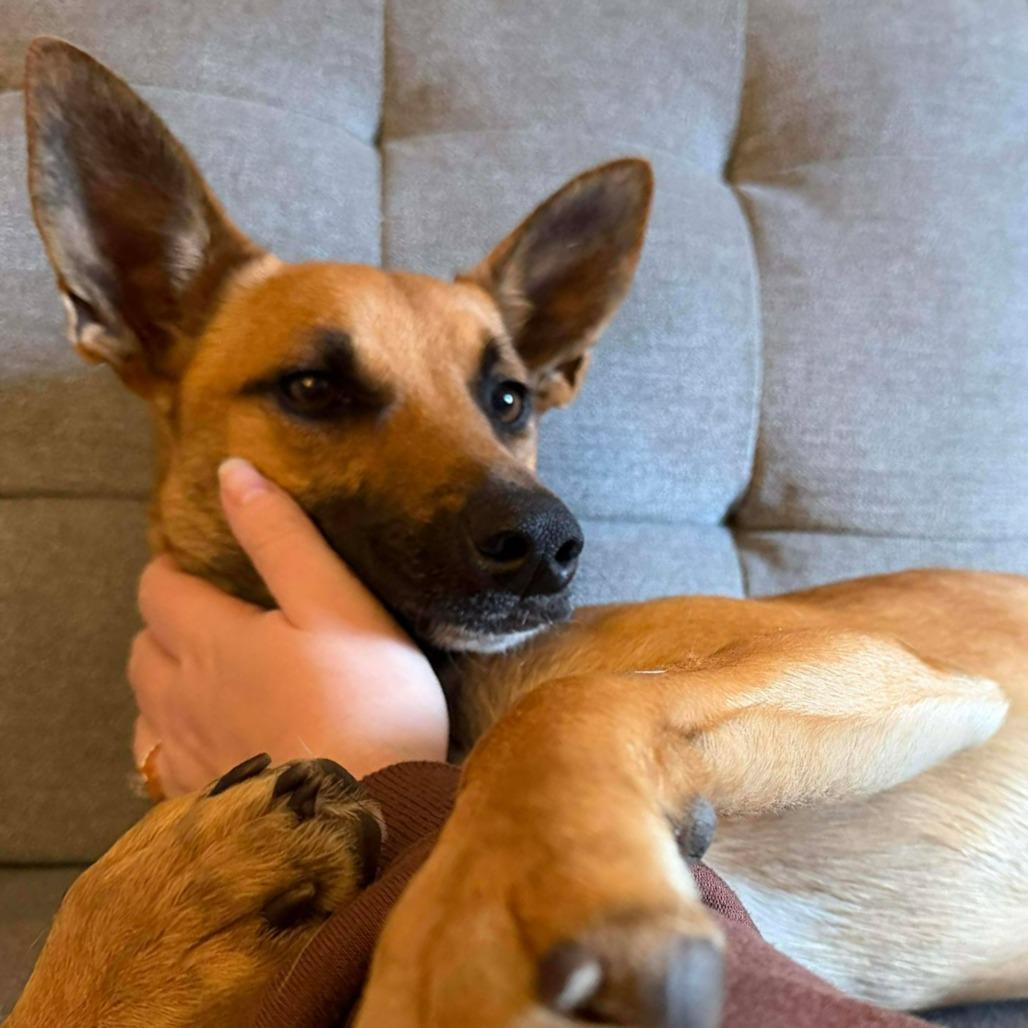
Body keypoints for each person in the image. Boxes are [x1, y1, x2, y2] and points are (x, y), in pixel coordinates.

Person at [129, 458, 927, 1028]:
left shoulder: (607, 677)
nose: (516, 505)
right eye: (315, 390)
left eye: (506, 401)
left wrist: (395, 777)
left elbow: (920, 691)